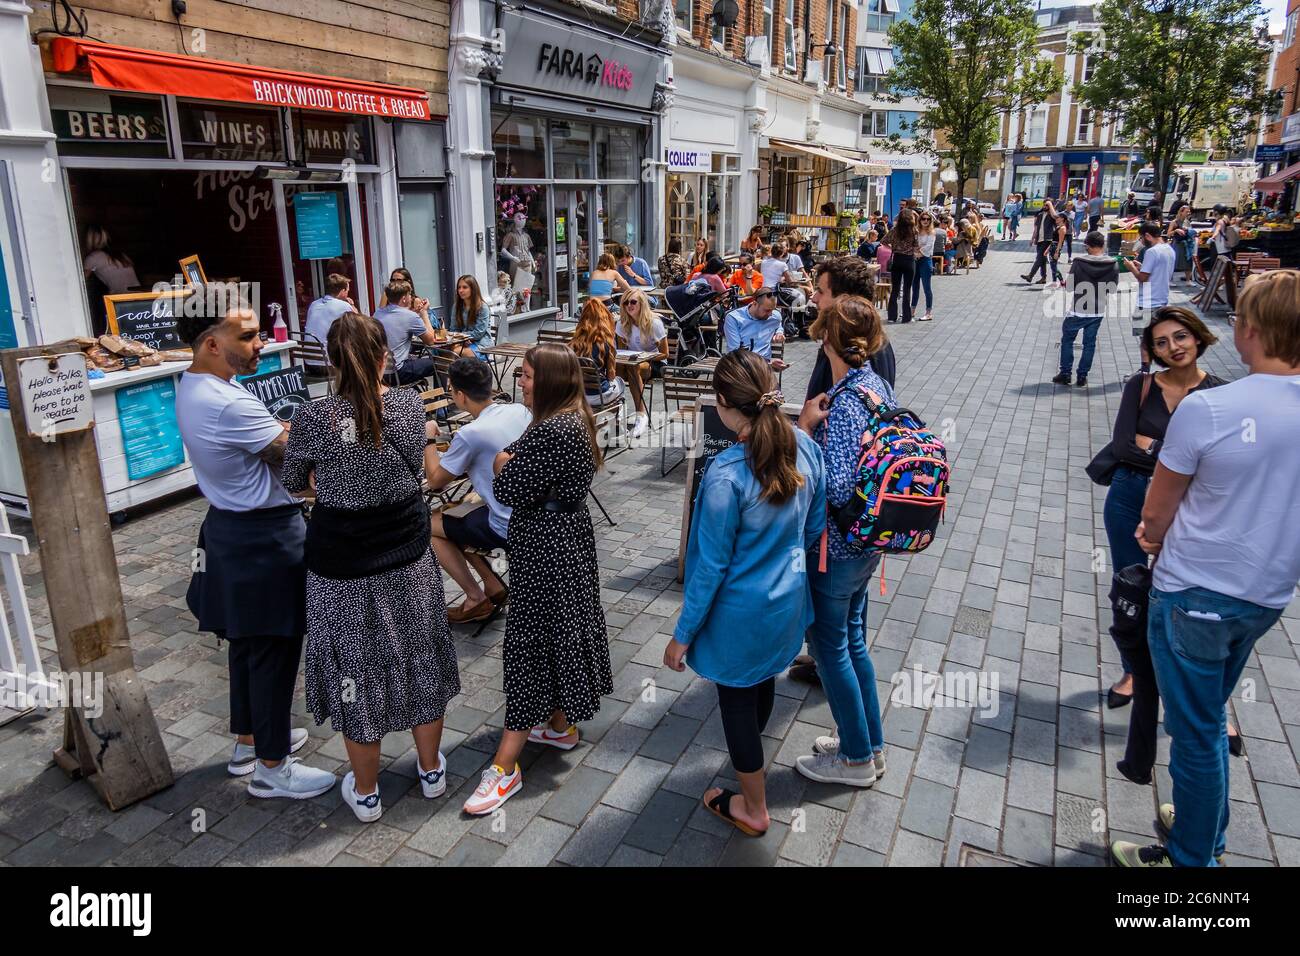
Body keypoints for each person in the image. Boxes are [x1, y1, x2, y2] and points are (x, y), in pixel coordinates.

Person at [1112, 270, 1300, 868]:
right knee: (1210, 719)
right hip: (1265, 595)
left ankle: (1194, 861)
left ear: (1251, 331)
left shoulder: (1212, 407)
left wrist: (1150, 537)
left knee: (1194, 735)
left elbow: (1156, 512)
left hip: (1196, 591)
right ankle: (1202, 823)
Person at [281, 313, 459, 822]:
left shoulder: (313, 418)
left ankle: (366, 791)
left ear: (332, 362)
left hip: (342, 567)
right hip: (405, 556)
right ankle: (430, 770)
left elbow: (296, 481)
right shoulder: (407, 406)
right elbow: (425, 478)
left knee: (355, 671)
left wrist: (334, 485)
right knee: (420, 658)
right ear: (386, 356)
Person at [176, 301, 334, 800]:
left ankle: (249, 742)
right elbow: (295, 456)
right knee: (274, 646)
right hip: (263, 535)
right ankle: (273, 766)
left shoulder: (196, 385)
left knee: (248, 644)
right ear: (211, 344)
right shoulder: (229, 402)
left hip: (231, 526)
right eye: (247, 336)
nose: (260, 343)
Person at [663, 350, 825, 836]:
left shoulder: (726, 475)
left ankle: (753, 807)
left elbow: (708, 568)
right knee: (764, 679)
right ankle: (750, 757)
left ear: (722, 405)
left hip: (739, 616)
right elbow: (813, 528)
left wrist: (682, 634)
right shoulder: (804, 446)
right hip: (787, 604)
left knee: (736, 701)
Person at [463, 344, 613, 814]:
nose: (520, 383)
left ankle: (506, 767)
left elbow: (505, 486)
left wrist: (504, 462)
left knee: (532, 643)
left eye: (526, 376)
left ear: (546, 380)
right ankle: (561, 723)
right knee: (559, 629)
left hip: (548, 547)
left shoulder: (553, 429)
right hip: (560, 540)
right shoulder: (569, 417)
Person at [1099, 309, 1228, 789]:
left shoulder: (1218, 393)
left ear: (1198, 338)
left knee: (1184, 602)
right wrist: (1176, 455)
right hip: (1130, 497)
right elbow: (1121, 446)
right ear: (1151, 350)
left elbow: (1214, 462)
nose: (1173, 347)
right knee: (1130, 591)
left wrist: (1155, 448)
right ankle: (1134, 672)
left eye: (1180, 337)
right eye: (1161, 342)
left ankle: (1204, 703)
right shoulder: (1142, 386)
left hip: (1190, 511)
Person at [793, 296, 895, 786]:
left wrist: (805, 431)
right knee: (853, 641)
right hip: (869, 544)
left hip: (839, 547)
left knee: (830, 647)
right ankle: (869, 745)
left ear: (828, 338)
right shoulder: (874, 386)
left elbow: (833, 487)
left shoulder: (846, 400)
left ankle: (854, 759)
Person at [427, 357, 531, 623]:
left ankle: (475, 598)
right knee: (455, 511)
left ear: (460, 395)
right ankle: (493, 585)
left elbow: (436, 481)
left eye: (452, 391)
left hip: (506, 525)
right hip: (530, 515)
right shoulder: (518, 410)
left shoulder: (470, 434)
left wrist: (428, 438)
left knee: (429, 527)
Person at [1053, 231, 1118, 388]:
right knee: (1089, 344)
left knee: (1067, 340)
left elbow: (1069, 287)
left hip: (1078, 309)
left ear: (1087, 245)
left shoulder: (1079, 262)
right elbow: (1113, 288)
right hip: (1098, 309)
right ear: (1103, 245)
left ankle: (1065, 374)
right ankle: (1082, 376)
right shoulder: (1112, 263)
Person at [614, 288, 664, 437]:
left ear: (642, 304)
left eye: (633, 302)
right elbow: (621, 353)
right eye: (625, 303)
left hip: (655, 361)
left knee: (632, 368)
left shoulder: (654, 323)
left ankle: (641, 415)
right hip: (633, 362)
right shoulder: (622, 324)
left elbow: (665, 353)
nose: (629, 305)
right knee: (613, 367)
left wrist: (642, 357)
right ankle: (617, 411)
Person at [374, 279, 441, 385]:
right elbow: (431, 341)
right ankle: (439, 397)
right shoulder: (410, 317)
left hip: (379, 372)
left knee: (414, 360)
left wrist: (414, 314)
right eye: (409, 294)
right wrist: (424, 313)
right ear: (404, 298)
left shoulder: (378, 313)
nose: (411, 297)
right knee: (439, 362)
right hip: (398, 372)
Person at [570, 297, 625, 408]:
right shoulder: (605, 343)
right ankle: (619, 419)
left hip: (577, 395)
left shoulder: (573, 344)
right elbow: (611, 376)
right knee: (620, 382)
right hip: (599, 396)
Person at [1122, 222, 1176, 327]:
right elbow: (1158, 271)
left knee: (1144, 339)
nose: (1142, 241)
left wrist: (1131, 268)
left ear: (1147, 236)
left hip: (1147, 302)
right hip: (1162, 300)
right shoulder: (1169, 249)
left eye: (1141, 238)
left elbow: (1142, 278)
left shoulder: (1151, 251)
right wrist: (1142, 267)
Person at [723, 287, 786, 363]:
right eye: (767, 310)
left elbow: (778, 323)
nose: (770, 314)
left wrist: (779, 332)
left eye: (773, 309)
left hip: (764, 363)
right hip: (741, 361)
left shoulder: (775, 316)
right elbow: (734, 351)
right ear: (755, 304)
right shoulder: (734, 318)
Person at [882, 208, 920, 324]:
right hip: (909, 260)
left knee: (895, 289)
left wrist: (892, 248)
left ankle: (892, 316)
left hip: (897, 259)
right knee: (907, 289)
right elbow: (916, 246)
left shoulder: (894, 230)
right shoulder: (914, 231)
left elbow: (883, 241)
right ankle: (906, 317)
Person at [82, 225, 139, 294]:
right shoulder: (118, 254)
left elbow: (81, 281)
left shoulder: (93, 257)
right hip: (138, 295)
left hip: (124, 298)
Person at [448, 274, 493, 357]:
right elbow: (453, 329)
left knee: (454, 352)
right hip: (461, 342)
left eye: (465, 287)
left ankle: (451, 370)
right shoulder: (456, 306)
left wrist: (463, 337)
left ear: (473, 289)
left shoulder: (483, 307)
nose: (461, 290)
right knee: (442, 351)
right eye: (459, 287)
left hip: (481, 345)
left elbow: (478, 333)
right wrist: (462, 339)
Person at [304, 273, 353, 348]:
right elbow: (357, 327)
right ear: (342, 291)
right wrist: (352, 305)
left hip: (308, 355)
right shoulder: (344, 306)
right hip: (328, 356)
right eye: (347, 291)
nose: (348, 293)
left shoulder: (314, 304)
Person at [1022, 200, 1058, 283]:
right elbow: (1036, 228)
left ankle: (1030, 275)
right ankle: (1043, 278)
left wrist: (1050, 205)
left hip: (1047, 239)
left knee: (1039, 258)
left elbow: (1056, 216)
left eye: (1047, 205)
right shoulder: (1040, 215)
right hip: (1039, 239)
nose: (1044, 206)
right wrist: (1032, 238)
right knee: (1042, 259)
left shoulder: (1052, 215)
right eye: (1044, 205)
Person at [913, 212, 937, 321]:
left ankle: (928, 312)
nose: (925, 221)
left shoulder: (932, 232)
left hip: (925, 260)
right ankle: (912, 311)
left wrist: (919, 252)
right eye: (923, 219)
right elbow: (914, 244)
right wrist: (917, 251)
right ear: (920, 220)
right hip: (916, 260)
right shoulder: (916, 231)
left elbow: (929, 246)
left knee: (927, 287)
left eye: (928, 219)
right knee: (914, 286)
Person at [1165, 206, 1197, 284]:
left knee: (1188, 262)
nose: (1188, 213)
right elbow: (1168, 234)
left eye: (1189, 212)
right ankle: (1169, 280)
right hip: (1177, 244)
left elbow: (1190, 232)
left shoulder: (1187, 222)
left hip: (1186, 244)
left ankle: (1188, 281)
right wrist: (1176, 230)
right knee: (1174, 262)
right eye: (1186, 211)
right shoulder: (1174, 222)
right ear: (1181, 212)